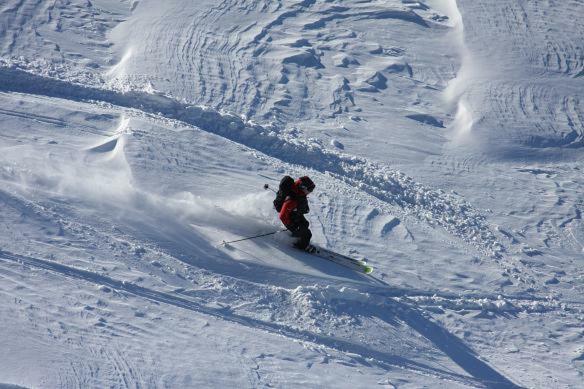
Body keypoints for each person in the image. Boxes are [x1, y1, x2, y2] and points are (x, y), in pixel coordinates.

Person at [276, 176, 315, 250]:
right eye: (310, 189)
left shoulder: (299, 191)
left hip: (294, 213)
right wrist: (292, 227)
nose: (311, 192)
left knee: (305, 224)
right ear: (303, 187)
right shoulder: (292, 199)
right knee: (307, 234)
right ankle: (302, 246)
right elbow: (282, 215)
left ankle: (297, 239)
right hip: (290, 218)